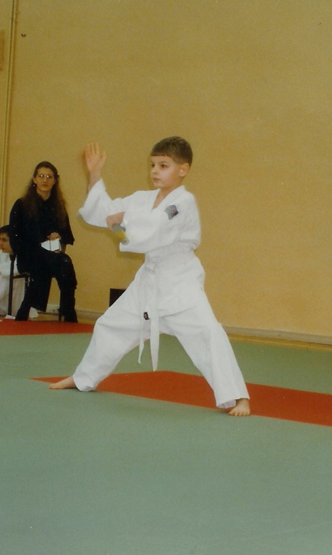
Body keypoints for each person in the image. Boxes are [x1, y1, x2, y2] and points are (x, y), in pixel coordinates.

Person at [50, 138, 250, 417]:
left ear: (183, 169)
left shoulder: (182, 203)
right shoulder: (142, 199)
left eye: (164, 166)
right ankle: (83, 378)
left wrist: (118, 227)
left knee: (208, 333)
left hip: (180, 283)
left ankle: (238, 397)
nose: (155, 170)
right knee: (110, 325)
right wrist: (94, 174)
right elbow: (103, 212)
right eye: (153, 165)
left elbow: (146, 233)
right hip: (148, 281)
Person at [9, 161, 78, 322]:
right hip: (28, 255)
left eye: (49, 176)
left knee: (65, 262)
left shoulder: (58, 207)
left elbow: (66, 236)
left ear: (55, 181)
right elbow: (15, 236)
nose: (45, 180)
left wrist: (58, 238)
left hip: (51, 256)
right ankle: (68, 312)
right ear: (34, 179)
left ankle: (64, 308)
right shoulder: (21, 204)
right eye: (41, 176)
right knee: (52, 263)